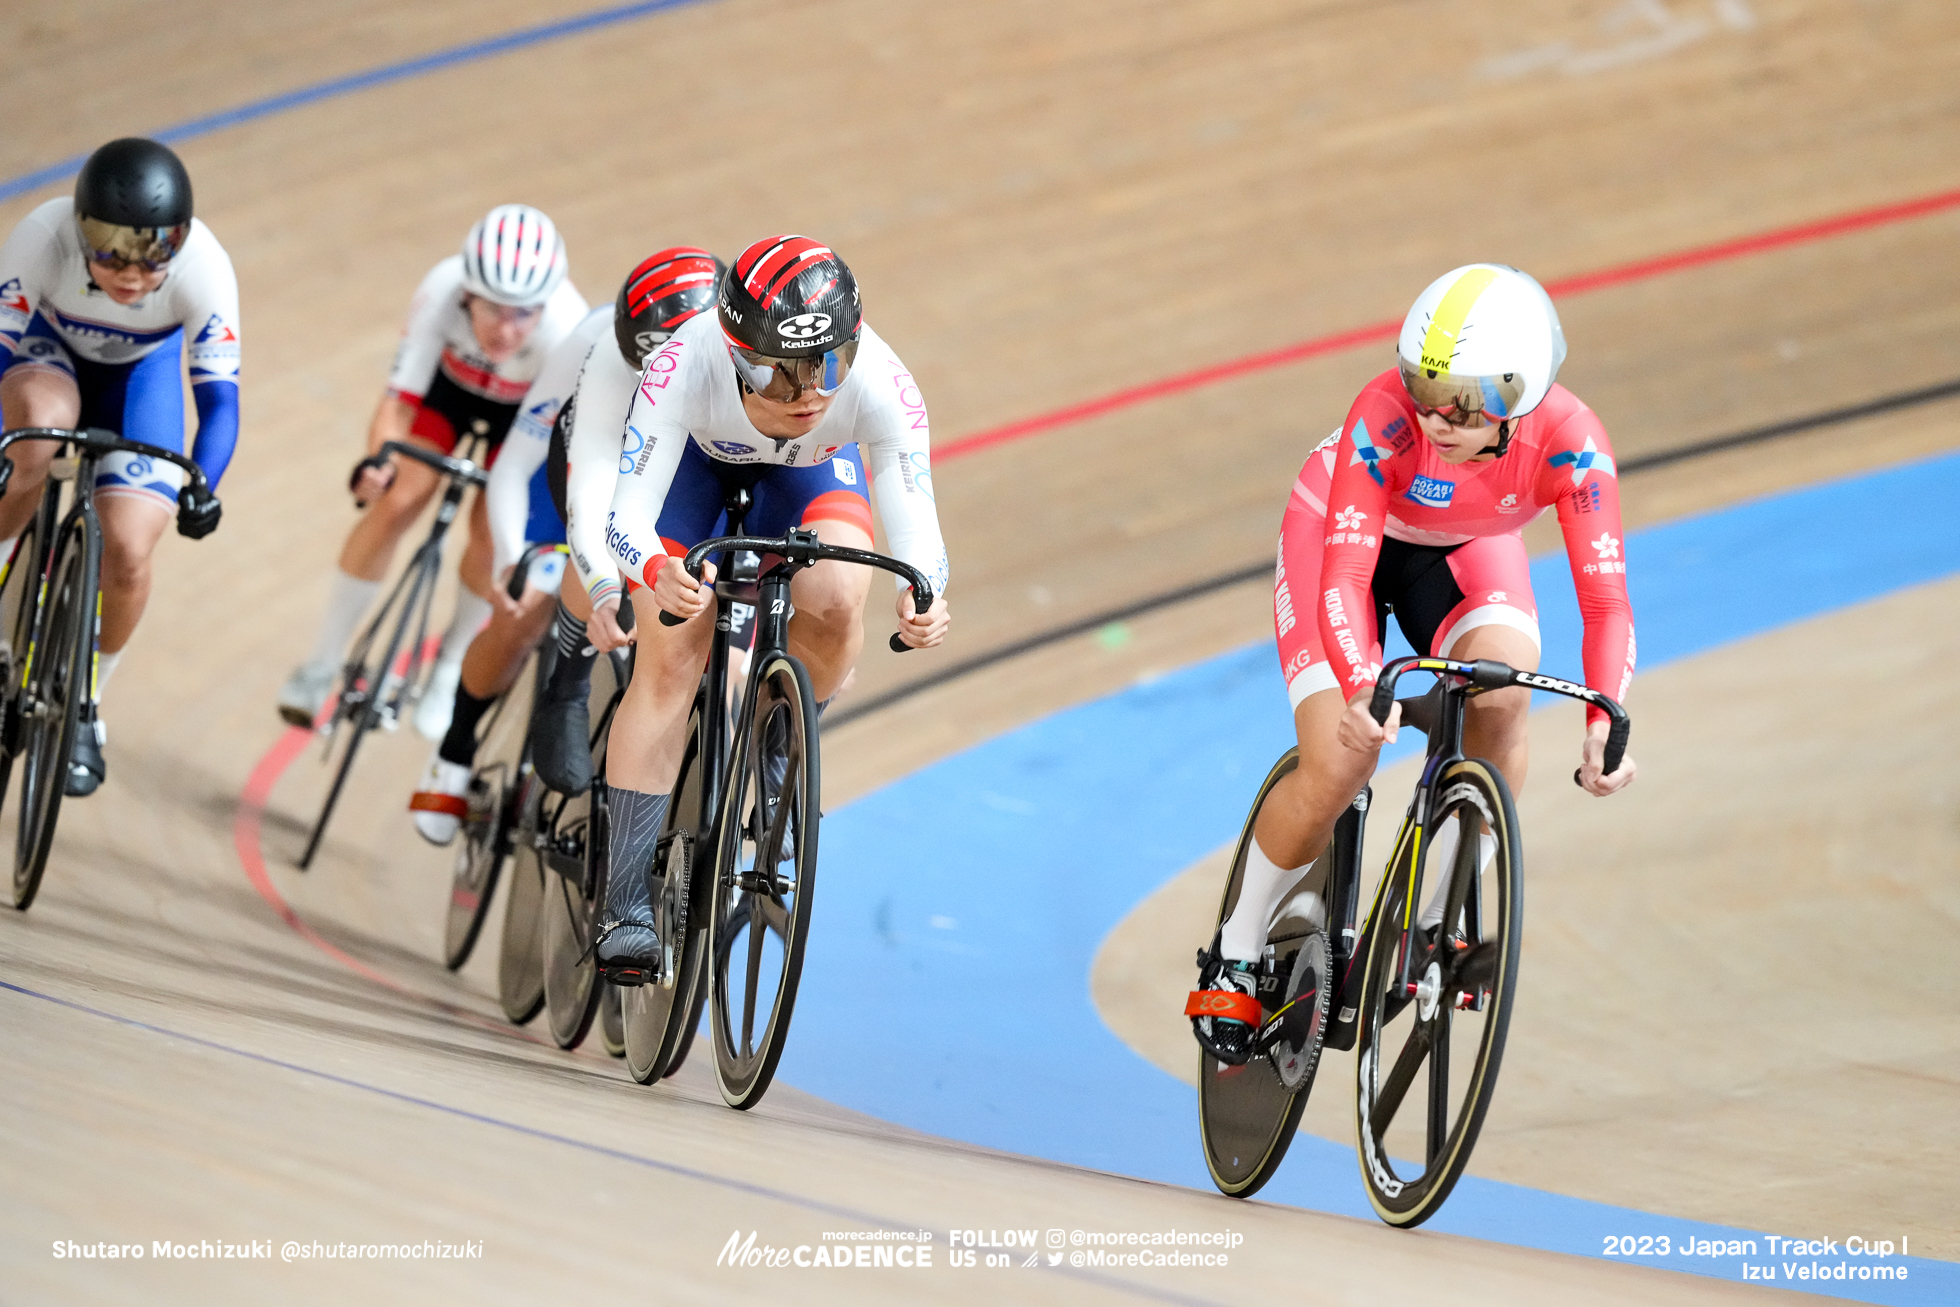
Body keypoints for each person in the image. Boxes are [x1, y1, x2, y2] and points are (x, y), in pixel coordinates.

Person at [1188, 264, 1639, 1063]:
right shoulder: (1384, 420)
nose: (1438, 415)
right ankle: (1239, 938)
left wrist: (1607, 719)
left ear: (1521, 391)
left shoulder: (1573, 446)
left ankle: (1435, 923)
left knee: (1503, 700)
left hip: (1466, 547)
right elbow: (1345, 578)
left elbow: (1604, 603)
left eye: (1465, 400)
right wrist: (1363, 688)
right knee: (1339, 758)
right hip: (1340, 536)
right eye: (1423, 385)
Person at [594, 235, 951, 980]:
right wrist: (656, 569)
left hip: (811, 475)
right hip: (694, 468)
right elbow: (624, 516)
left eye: (828, 365)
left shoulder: (883, 381)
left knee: (840, 591)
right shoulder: (679, 367)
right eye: (779, 376)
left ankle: (786, 731)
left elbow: (916, 517)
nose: (809, 393)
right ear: (732, 355)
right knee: (671, 659)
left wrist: (924, 593)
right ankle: (623, 902)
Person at [407, 247, 721, 841]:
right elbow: (518, 459)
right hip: (580, 469)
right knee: (525, 610)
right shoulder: (593, 342)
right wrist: (509, 556)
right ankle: (454, 749)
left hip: (674, 472)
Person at [275, 204, 586, 739]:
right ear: (468, 293)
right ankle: (321, 662)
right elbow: (399, 397)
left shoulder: (567, 328)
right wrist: (378, 465)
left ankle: (448, 668)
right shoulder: (442, 289)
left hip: (522, 419)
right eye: (492, 310)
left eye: (522, 315)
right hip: (449, 396)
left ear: (544, 307)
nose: (506, 331)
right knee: (397, 499)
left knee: (491, 532)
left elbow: (540, 452)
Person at [0, 137, 236, 795]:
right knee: (36, 442)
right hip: (50, 355)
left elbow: (220, 403)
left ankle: (87, 698)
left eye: (156, 252)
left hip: (142, 378)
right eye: (111, 250)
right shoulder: (43, 236)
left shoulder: (206, 269)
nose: (132, 274)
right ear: (80, 230)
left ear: (181, 240)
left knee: (129, 550)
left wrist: (204, 485)